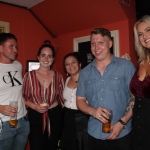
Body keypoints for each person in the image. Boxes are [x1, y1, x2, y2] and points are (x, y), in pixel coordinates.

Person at [76, 28, 135, 150]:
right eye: (93, 43)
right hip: (94, 134)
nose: (96, 47)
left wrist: (122, 123)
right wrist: (92, 111)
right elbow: (79, 100)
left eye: (101, 43)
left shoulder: (126, 66)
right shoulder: (85, 73)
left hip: (122, 134)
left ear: (110, 44)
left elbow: (136, 98)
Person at [23, 40, 64, 150]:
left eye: (49, 56)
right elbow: (23, 97)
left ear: (53, 59)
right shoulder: (29, 76)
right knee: (36, 146)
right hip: (35, 116)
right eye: (43, 55)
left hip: (54, 115)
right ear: (38, 57)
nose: (46, 59)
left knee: (52, 146)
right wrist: (34, 106)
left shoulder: (58, 76)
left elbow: (63, 98)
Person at [0, 33, 30, 150]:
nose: (15, 50)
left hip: (23, 121)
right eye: (11, 46)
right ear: (0, 48)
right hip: (4, 123)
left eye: (16, 47)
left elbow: (18, 91)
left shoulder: (18, 65)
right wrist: (0, 108)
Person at [60, 52, 89, 150]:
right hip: (67, 117)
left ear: (80, 64)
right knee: (68, 145)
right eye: (67, 64)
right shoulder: (67, 79)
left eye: (73, 62)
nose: (70, 66)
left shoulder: (88, 79)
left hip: (82, 119)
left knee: (82, 145)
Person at [130, 15, 150, 150]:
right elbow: (134, 97)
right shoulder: (142, 61)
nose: (144, 37)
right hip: (137, 129)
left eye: (149, 30)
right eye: (140, 34)